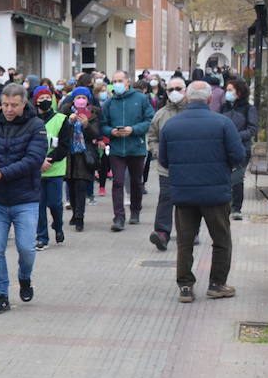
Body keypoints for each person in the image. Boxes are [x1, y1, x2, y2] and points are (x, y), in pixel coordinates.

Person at [157, 81, 246, 303]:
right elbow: (238, 155)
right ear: (209, 99)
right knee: (221, 239)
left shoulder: (172, 125)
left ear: (187, 98)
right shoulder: (223, 123)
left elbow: (164, 160)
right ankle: (217, 284)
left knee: (185, 242)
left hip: (184, 194)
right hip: (216, 194)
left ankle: (185, 286)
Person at [0, 84, 47, 314]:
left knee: (26, 248)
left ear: (24, 103)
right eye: (5, 104)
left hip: (26, 199)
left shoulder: (36, 126)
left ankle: (24, 277)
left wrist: (3, 173)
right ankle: (1, 295)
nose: (9, 109)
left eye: (14, 105)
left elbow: (33, 159)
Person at [99, 71, 155, 231]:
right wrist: (111, 132)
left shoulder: (141, 99)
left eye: (120, 80)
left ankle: (136, 211)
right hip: (117, 148)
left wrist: (134, 129)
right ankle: (119, 217)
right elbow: (103, 125)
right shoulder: (109, 103)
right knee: (117, 182)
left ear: (127, 82)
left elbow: (150, 120)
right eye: (115, 81)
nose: (117, 83)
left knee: (136, 182)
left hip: (136, 147)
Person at [146, 78, 188, 250]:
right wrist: (158, 153)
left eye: (178, 88)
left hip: (190, 167)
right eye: (170, 89)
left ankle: (189, 232)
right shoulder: (160, 114)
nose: (174, 92)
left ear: (185, 90)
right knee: (165, 199)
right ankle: (162, 233)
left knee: (189, 201)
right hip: (167, 167)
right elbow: (152, 137)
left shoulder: (193, 113)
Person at [60, 89, 101, 232]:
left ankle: (80, 218)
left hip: (84, 154)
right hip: (69, 154)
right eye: (78, 97)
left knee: (81, 186)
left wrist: (86, 125)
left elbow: (96, 134)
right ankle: (74, 213)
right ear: (73, 99)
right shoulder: (65, 112)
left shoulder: (93, 113)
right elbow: (59, 131)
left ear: (88, 100)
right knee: (71, 186)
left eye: (84, 97)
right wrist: (68, 122)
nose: (81, 100)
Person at [220, 78, 258, 220]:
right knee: (225, 177)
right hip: (224, 148)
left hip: (242, 148)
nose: (227, 93)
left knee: (237, 178)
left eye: (230, 90)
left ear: (239, 92)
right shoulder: (224, 108)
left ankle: (236, 208)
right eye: (226, 90)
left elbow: (252, 129)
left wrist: (235, 136)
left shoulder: (249, 109)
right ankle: (225, 206)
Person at [35, 87, 68, 248]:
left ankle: (58, 225)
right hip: (36, 169)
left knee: (55, 203)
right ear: (35, 101)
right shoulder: (31, 120)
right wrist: (38, 161)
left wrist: (49, 160)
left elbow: (64, 145)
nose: (45, 101)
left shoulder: (62, 119)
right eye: (41, 98)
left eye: (48, 97)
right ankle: (42, 237)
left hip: (55, 169)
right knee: (38, 205)